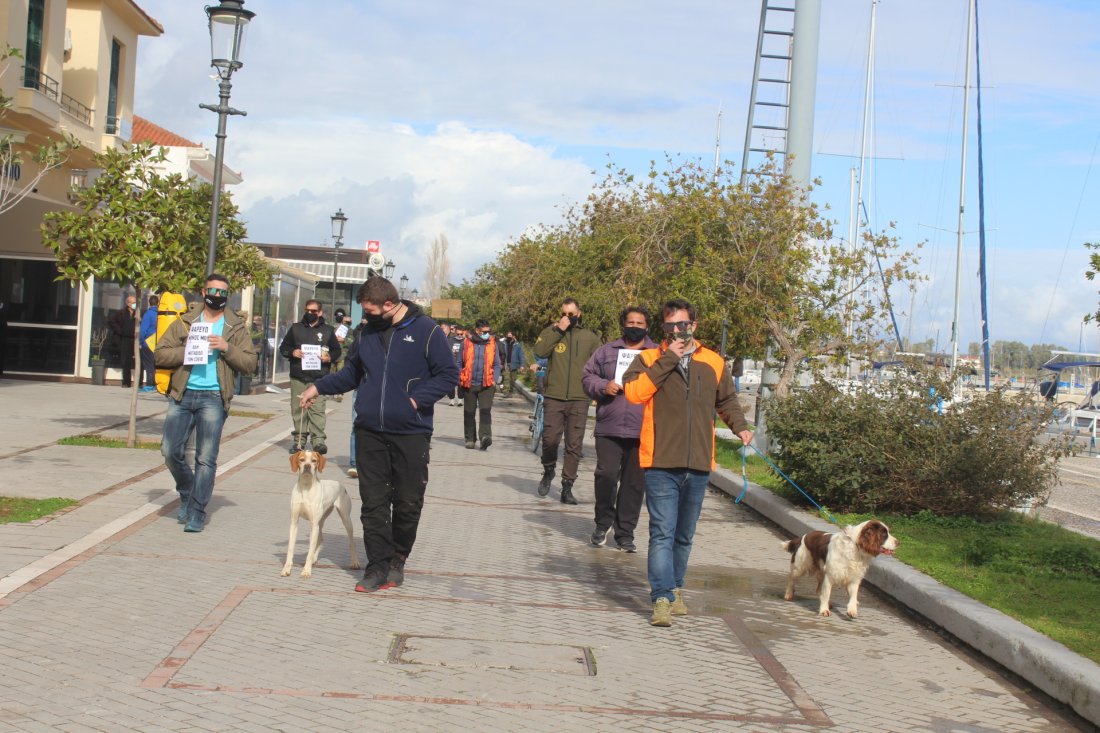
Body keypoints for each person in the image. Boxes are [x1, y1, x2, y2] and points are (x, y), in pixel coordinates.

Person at [299, 277, 458, 593]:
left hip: (411, 432)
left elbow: (448, 374)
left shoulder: (427, 330)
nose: (366, 316)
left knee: (407, 501)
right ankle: (376, 566)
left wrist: (415, 400)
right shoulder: (367, 333)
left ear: (389, 304)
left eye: (370, 311)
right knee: (373, 502)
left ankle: (397, 558)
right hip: (369, 430)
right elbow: (352, 373)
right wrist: (318, 386)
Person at [623, 298, 752, 627]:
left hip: (698, 463)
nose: (677, 331)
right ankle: (661, 597)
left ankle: (675, 588)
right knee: (662, 533)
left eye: (682, 325)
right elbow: (634, 394)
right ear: (663, 329)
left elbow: (726, 400)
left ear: (694, 325)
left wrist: (740, 427)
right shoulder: (648, 358)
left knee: (684, 535)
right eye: (670, 326)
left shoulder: (714, 361)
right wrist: (669, 358)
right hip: (660, 462)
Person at [155, 274, 257, 533]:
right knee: (170, 450)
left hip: (214, 397)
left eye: (223, 292)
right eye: (213, 291)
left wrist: (226, 347)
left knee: (206, 458)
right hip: (183, 394)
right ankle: (188, 491)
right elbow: (160, 354)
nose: (217, 296)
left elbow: (250, 364)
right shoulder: (186, 321)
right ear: (203, 292)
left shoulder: (235, 326)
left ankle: (197, 511)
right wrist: (186, 350)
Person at [582, 306, 656, 553]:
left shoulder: (657, 354)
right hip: (609, 427)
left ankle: (625, 533)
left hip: (643, 429)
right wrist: (604, 386)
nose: (634, 327)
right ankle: (602, 523)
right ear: (623, 324)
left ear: (647, 326)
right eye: (630, 322)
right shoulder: (606, 351)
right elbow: (587, 377)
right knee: (606, 475)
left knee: (634, 484)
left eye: (639, 323)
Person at [533, 297, 600, 504]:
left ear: (579, 314)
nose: (567, 317)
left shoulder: (590, 337)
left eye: (571, 314)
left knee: (574, 445)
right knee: (550, 440)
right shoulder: (551, 332)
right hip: (554, 396)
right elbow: (539, 352)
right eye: (564, 314)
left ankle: (567, 486)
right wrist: (558, 330)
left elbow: (599, 366)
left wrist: (597, 391)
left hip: (579, 398)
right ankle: (548, 470)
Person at [279, 299, 341, 454]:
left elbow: (336, 350)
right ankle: (299, 441)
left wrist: (329, 358)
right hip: (298, 377)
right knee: (298, 409)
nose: (310, 313)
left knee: (317, 409)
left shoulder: (328, 330)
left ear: (320, 313)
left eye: (313, 311)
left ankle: (318, 441)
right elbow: (283, 348)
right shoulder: (296, 328)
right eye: (307, 310)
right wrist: (292, 352)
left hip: (319, 379)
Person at [460, 318, 504, 450]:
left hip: (487, 384)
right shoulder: (466, 343)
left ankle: (485, 437)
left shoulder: (492, 343)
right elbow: (458, 363)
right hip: (469, 383)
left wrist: (494, 380)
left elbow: (497, 364)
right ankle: (470, 439)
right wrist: (458, 377)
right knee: (469, 412)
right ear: (477, 330)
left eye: (488, 331)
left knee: (485, 411)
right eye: (484, 332)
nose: (486, 334)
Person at [346, 313, 369, 479]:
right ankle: (354, 463)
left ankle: (369, 464)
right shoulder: (360, 337)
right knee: (356, 426)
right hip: (360, 388)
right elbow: (350, 365)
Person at [109, 294, 138, 387]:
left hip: (135, 339)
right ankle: (126, 382)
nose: (134, 304)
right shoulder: (121, 313)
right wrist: (120, 331)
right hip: (124, 339)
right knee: (125, 361)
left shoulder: (137, 313)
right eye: (133, 303)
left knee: (136, 360)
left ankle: (139, 382)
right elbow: (111, 322)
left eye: (135, 302)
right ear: (128, 303)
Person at [138, 295, 159, 391]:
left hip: (148, 343)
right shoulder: (160, 314)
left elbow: (143, 330)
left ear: (149, 303)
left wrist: (140, 342)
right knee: (155, 364)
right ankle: (156, 384)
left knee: (149, 365)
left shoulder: (148, 314)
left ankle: (150, 384)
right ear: (158, 303)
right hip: (158, 343)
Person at [500, 331, 526, 397]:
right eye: (508, 336)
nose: (509, 337)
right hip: (505, 364)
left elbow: (521, 355)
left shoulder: (517, 345)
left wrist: (522, 365)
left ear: (513, 336)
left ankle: (510, 391)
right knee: (506, 378)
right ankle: (506, 393)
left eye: (510, 336)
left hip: (514, 364)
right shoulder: (503, 343)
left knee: (512, 380)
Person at [447, 323, 465, 406]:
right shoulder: (450, 341)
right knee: (450, 382)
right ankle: (451, 399)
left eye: (461, 334)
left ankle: (460, 399)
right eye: (458, 334)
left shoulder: (466, 341)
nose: (459, 336)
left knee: (461, 383)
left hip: (462, 365)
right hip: (452, 364)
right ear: (455, 333)